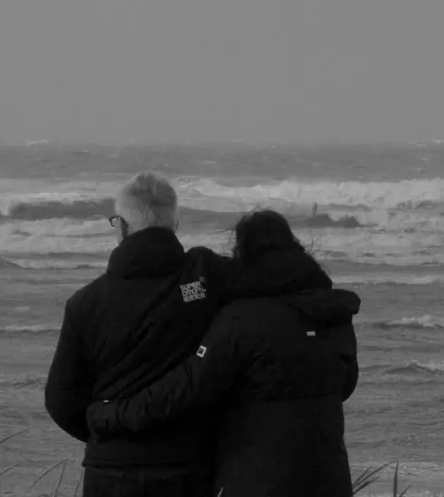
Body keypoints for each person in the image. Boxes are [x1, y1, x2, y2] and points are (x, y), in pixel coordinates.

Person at [86, 210, 361, 497]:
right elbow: (345, 384)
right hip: (330, 479)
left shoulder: (242, 320)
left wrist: (113, 414)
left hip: (257, 480)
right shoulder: (334, 315)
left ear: (244, 256)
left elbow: (187, 387)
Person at [45, 172, 230, 497]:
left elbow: (62, 401)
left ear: (123, 227)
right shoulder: (200, 282)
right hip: (188, 465)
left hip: (111, 470)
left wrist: (110, 435)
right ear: (174, 224)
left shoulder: (87, 303)